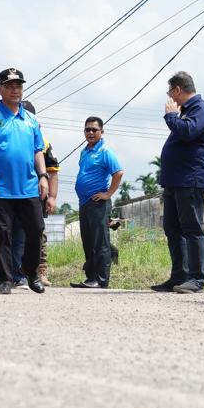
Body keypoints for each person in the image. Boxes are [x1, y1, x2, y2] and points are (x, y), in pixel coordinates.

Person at [0, 68, 48, 295]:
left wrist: (43, 176)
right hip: (0, 187)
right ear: (0, 89)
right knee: (1, 235)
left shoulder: (31, 119)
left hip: (28, 186)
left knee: (36, 230)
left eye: (18, 86)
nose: (15, 90)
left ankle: (30, 271)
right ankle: (4, 279)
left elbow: (38, 150)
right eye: (10, 86)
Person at [152, 71, 204, 294]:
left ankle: (196, 279)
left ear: (178, 90)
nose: (170, 98)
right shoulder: (186, 112)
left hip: (191, 179)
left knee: (192, 228)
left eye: (170, 92)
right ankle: (179, 276)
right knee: (172, 228)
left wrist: (171, 116)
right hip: (175, 181)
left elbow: (188, 132)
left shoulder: (201, 109)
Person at [71, 117, 123, 289]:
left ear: (102, 132)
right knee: (88, 241)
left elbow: (118, 173)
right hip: (84, 203)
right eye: (87, 129)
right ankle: (91, 277)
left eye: (94, 129)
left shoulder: (105, 151)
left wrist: (108, 194)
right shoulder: (85, 151)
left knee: (100, 242)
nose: (91, 132)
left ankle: (101, 279)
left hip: (98, 203)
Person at [23, 101, 59, 287]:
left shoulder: (44, 144)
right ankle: (14, 273)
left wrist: (51, 197)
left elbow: (52, 171)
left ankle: (41, 271)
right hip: (13, 193)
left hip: (37, 195)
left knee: (38, 233)